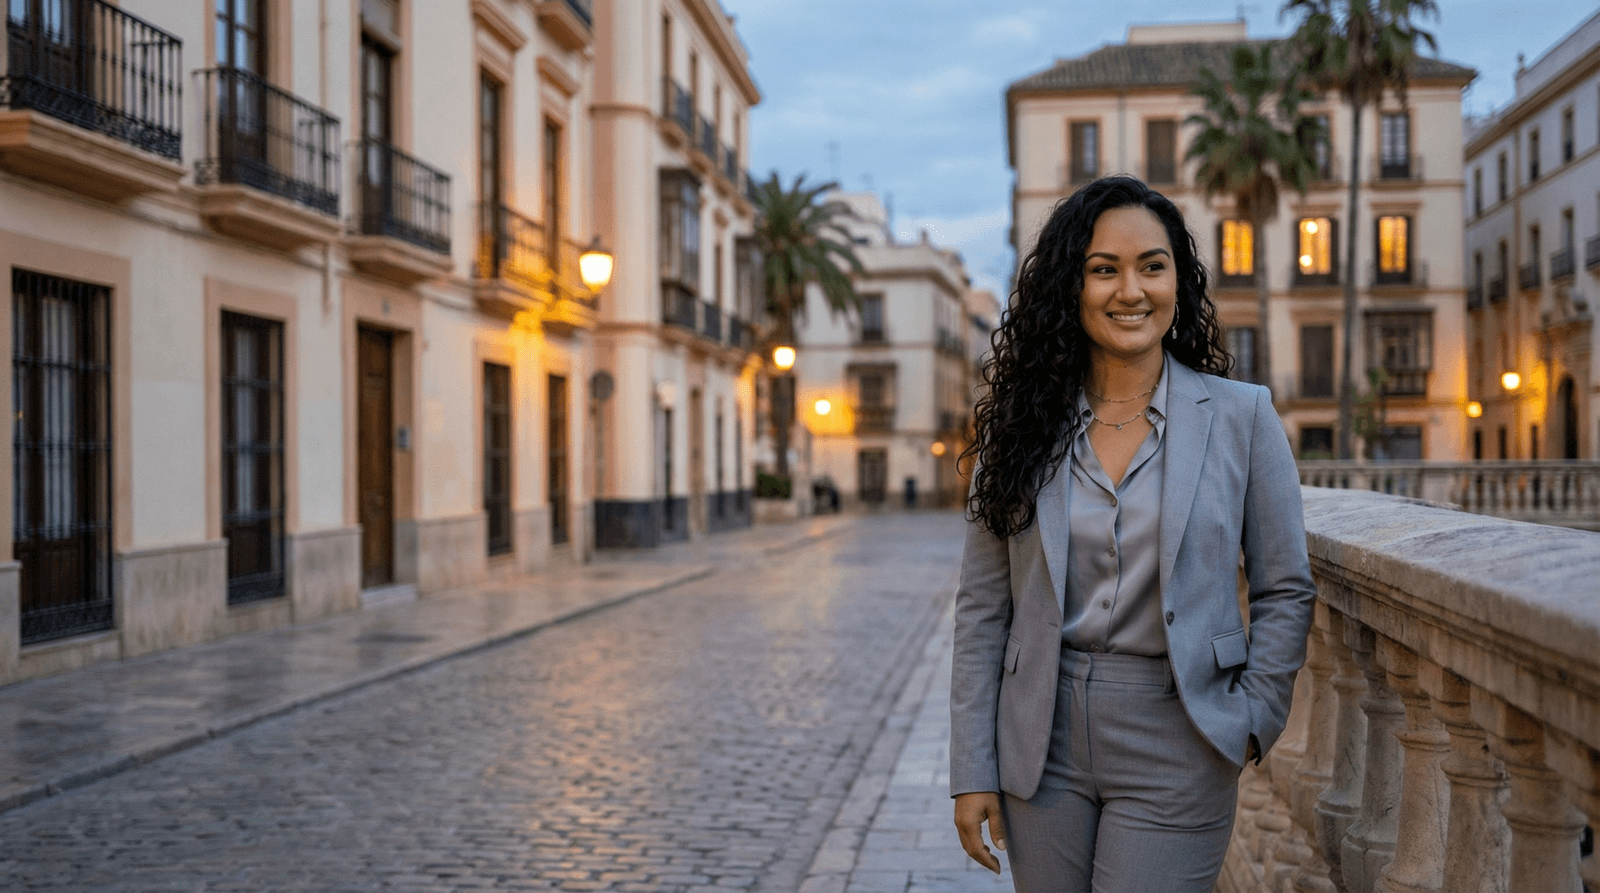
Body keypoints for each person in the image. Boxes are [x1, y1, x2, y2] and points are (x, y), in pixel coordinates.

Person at [949, 176, 1315, 892]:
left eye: (1152, 265)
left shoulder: (1243, 417)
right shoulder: (1019, 431)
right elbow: (982, 609)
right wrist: (972, 767)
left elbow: (1284, 585)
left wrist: (1251, 720)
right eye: (1103, 269)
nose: (1131, 290)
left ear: (1179, 278)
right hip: (1039, 740)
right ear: (1070, 286)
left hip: (1180, 731)